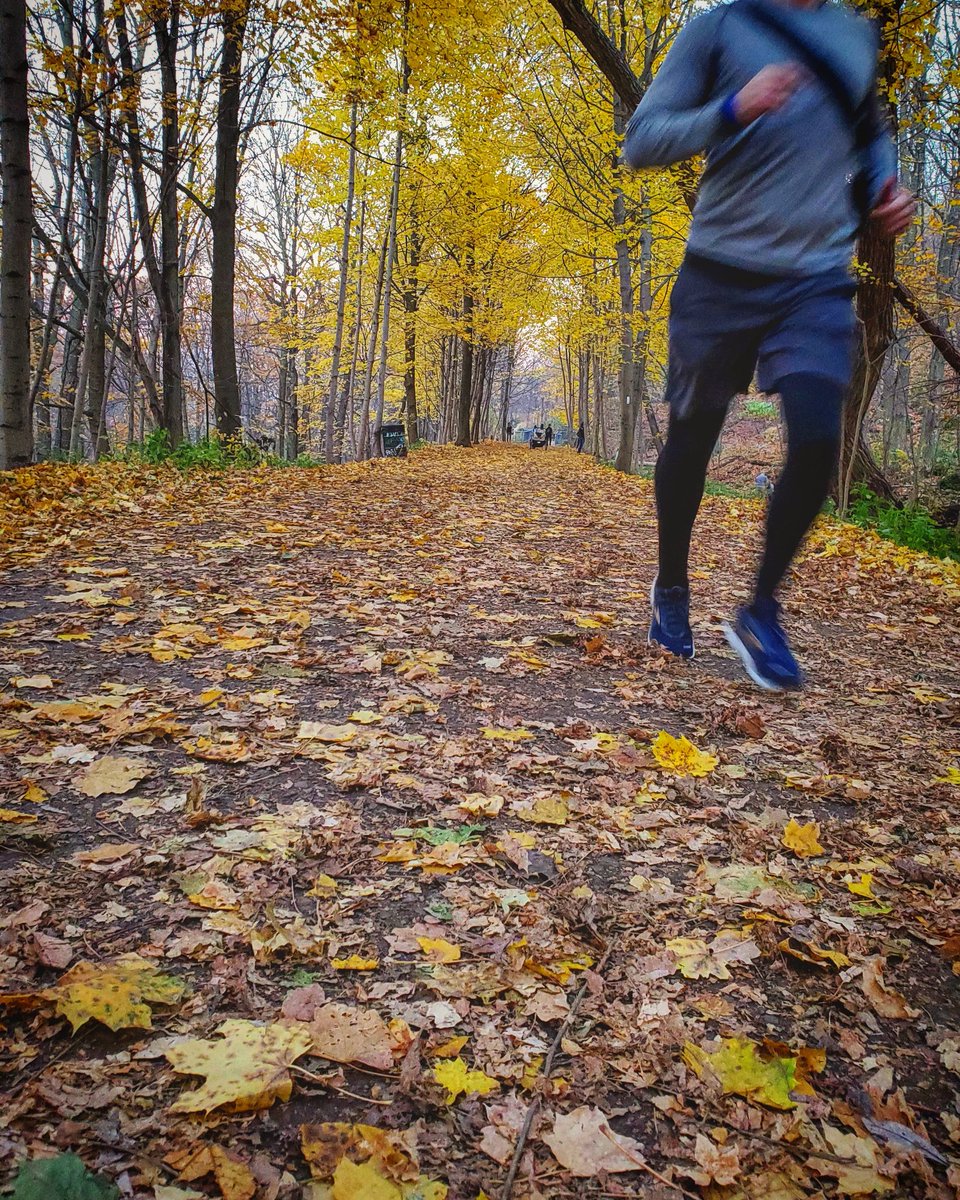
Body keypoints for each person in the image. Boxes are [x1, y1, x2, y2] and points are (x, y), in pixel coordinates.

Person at [622, 0, 914, 690]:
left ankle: (760, 610)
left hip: (815, 279)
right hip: (719, 272)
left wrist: (883, 186)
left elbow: (870, 132)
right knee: (691, 440)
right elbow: (642, 142)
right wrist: (731, 109)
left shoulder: (853, 36)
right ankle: (670, 589)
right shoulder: (720, 29)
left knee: (818, 437)